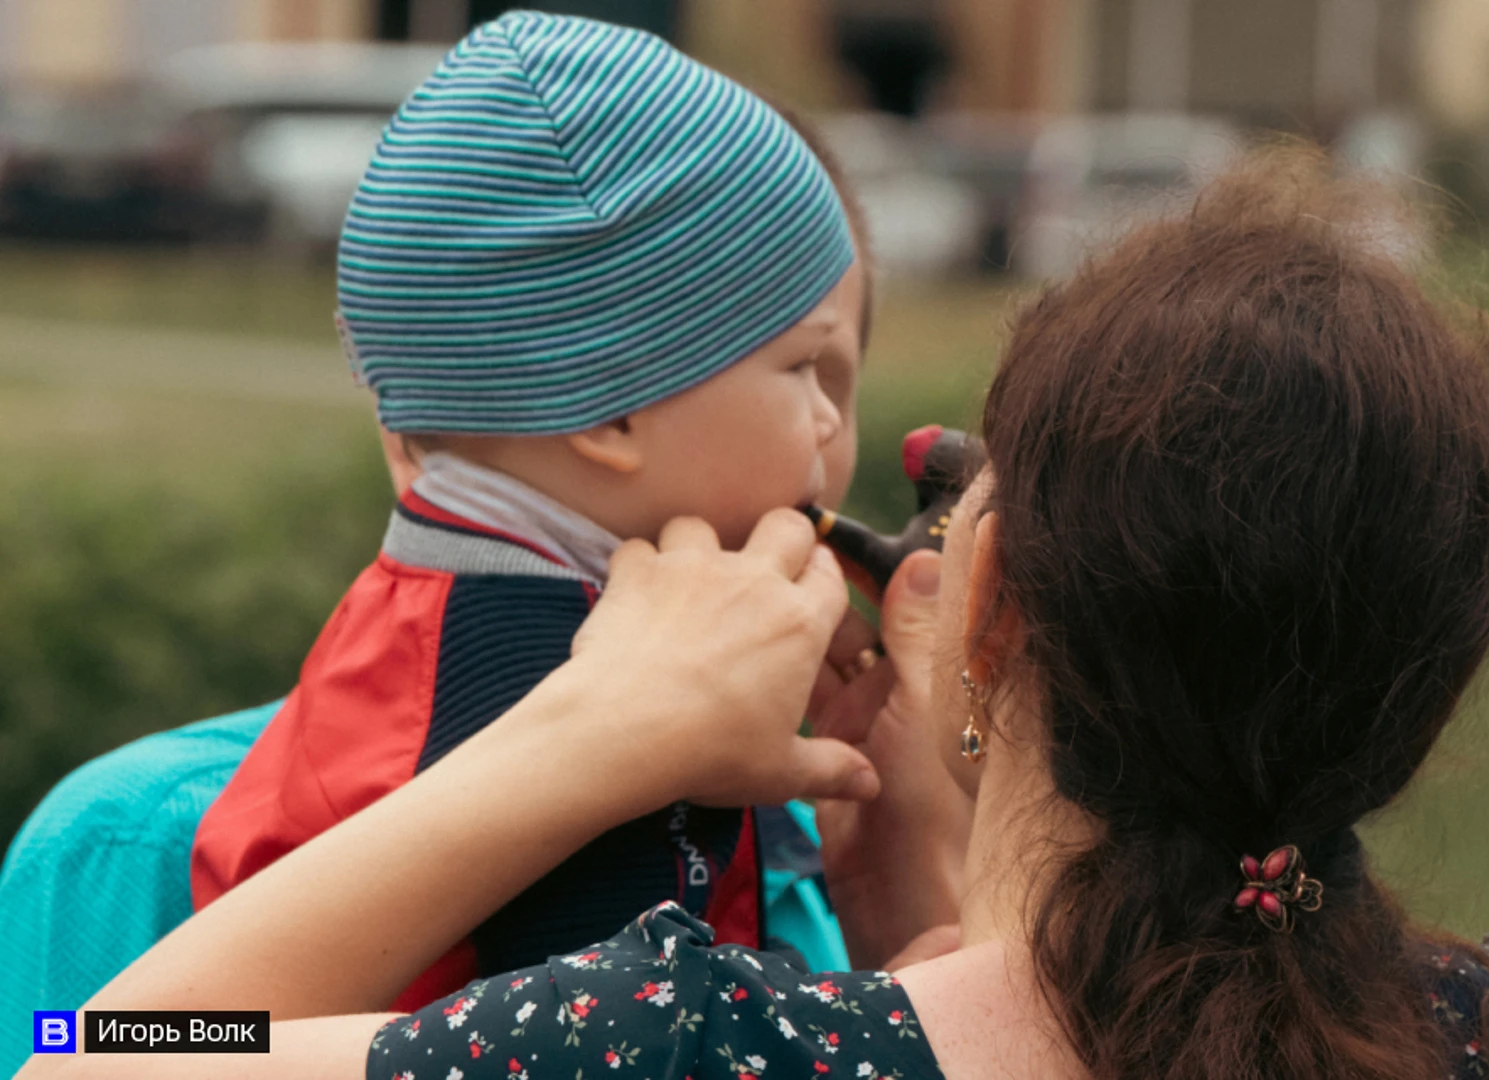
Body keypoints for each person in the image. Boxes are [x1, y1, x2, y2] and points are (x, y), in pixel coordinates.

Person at [21, 151, 1489, 1080]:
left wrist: (581, 742)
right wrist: (911, 897)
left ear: (986, 606)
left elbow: (94, 1045)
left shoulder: (704, 1045)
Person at [0, 11, 877, 1049]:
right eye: (800, 370)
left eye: (839, 382)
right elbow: (89, 1047)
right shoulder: (494, 677)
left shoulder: (812, 824)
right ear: (607, 411)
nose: (826, 433)